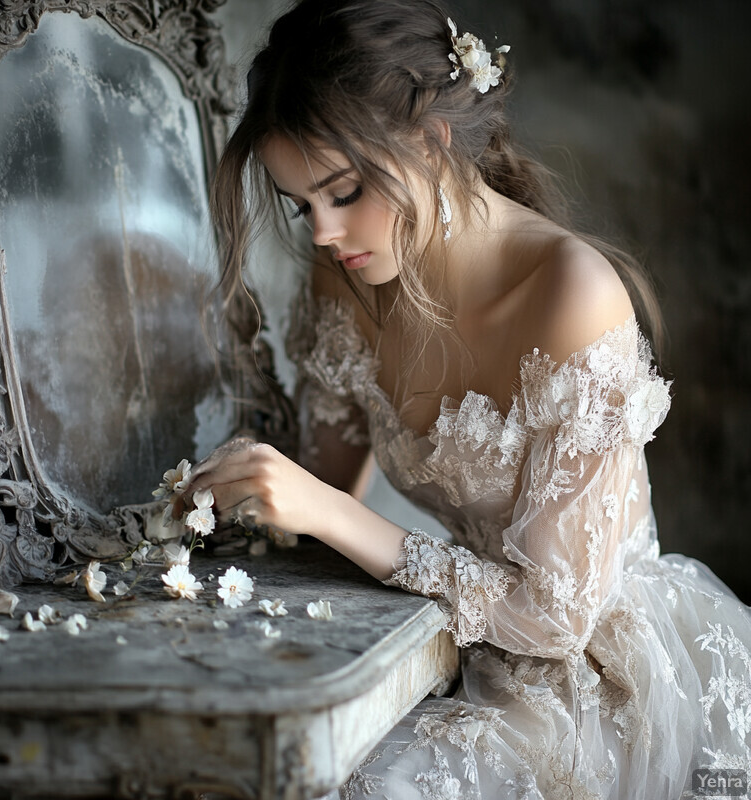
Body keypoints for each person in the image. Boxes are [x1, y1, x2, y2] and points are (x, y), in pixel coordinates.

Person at [185, 0, 751, 796]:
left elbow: (554, 618)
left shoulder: (571, 294)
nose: (319, 232)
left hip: (585, 678)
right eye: (301, 203)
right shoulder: (348, 269)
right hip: (448, 633)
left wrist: (330, 512)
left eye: (343, 192)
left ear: (430, 140)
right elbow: (322, 483)